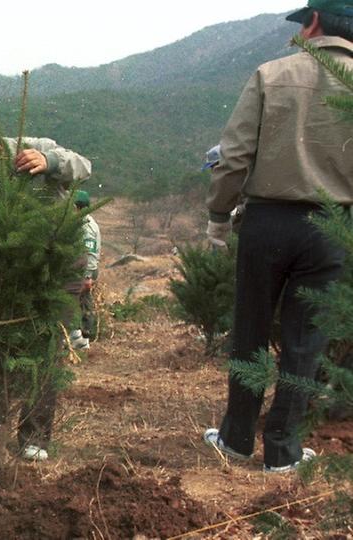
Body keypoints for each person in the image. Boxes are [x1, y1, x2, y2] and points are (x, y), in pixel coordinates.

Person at [203, 0, 353, 473]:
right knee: (305, 342)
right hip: (334, 227)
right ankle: (284, 452)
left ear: (312, 22)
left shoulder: (271, 74)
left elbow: (234, 155)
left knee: (249, 330)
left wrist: (219, 216)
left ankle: (236, 438)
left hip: (266, 222)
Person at [0, 125, 92, 461]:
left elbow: (84, 166)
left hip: (54, 262)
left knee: (44, 345)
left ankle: (34, 435)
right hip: (4, 269)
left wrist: (50, 161)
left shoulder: (32, 147)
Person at [69, 190, 101, 351]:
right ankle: (81, 338)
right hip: (80, 269)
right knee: (80, 302)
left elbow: (90, 253)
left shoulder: (87, 226)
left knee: (80, 302)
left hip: (85, 271)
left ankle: (81, 339)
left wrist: (87, 277)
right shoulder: (80, 222)